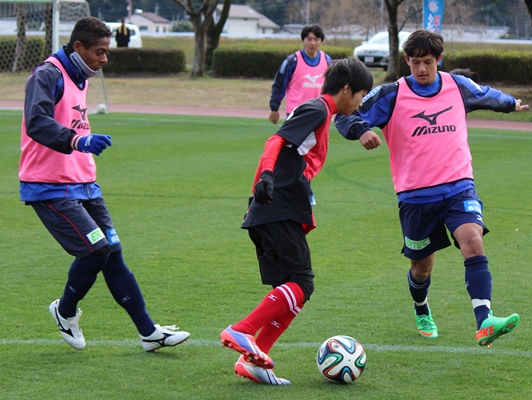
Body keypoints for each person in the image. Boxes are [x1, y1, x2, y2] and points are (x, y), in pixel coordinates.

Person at [335, 30, 528, 347]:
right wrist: (360, 132)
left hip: (458, 187)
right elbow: (347, 114)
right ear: (406, 61)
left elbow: (486, 94)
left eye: (427, 62)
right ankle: (421, 307)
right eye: (415, 63)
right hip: (415, 196)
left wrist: (510, 104)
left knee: (473, 241)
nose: (421, 69)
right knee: (421, 268)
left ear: (439, 60)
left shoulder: (456, 85)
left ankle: (484, 322)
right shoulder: (391, 95)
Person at [19, 17, 190, 352]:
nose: (104, 59)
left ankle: (148, 332)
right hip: (51, 186)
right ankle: (64, 310)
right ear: (78, 47)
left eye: (107, 52)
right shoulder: (48, 74)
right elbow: (37, 122)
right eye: (100, 52)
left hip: (85, 183)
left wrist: (83, 150)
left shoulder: (79, 75)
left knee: (112, 252)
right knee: (95, 249)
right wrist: (78, 142)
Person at [220, 57, 373, 385]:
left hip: (274, 208)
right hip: (278, 207)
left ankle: (254, 361)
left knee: (292, 290)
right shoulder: (317, 109)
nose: (360, 102)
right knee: (302, 283)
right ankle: (242, 330)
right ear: (346, 89)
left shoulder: (324, 114)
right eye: (360, 95)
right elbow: (275, 140)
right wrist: (267, 175)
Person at [268, 24, 332, 206]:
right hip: (296, 118)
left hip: (318, 117)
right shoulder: (292, 61)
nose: (312, 43)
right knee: (294, 156)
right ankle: (303, 192)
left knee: (312, 156)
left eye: (316, 39)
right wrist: (274, 107)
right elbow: (279, 84)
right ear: (303, 40)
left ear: (321, 41)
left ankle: (303, 190)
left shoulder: (326, 60)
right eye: (309, 39)